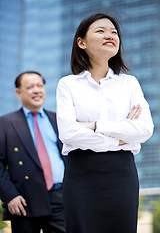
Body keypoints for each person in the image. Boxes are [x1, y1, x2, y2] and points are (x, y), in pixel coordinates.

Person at [56, 13, 154, 233]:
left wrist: (95, 125)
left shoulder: (129, 84)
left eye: (114, 32)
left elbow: (145, 129)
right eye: (100, 31)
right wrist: (120, 137)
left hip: (121, 174)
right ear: (81, 42)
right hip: (81, 173)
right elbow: (68, 133)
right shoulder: (68, 85)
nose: (110, 35)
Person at [0, 71, 65, 233]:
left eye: (40, 85)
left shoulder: (58, 120)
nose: (36, 90)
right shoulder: (6, 123)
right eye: (30, 87)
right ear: (18, 92)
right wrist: (9, 195)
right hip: (24, 202)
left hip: (61, 199)